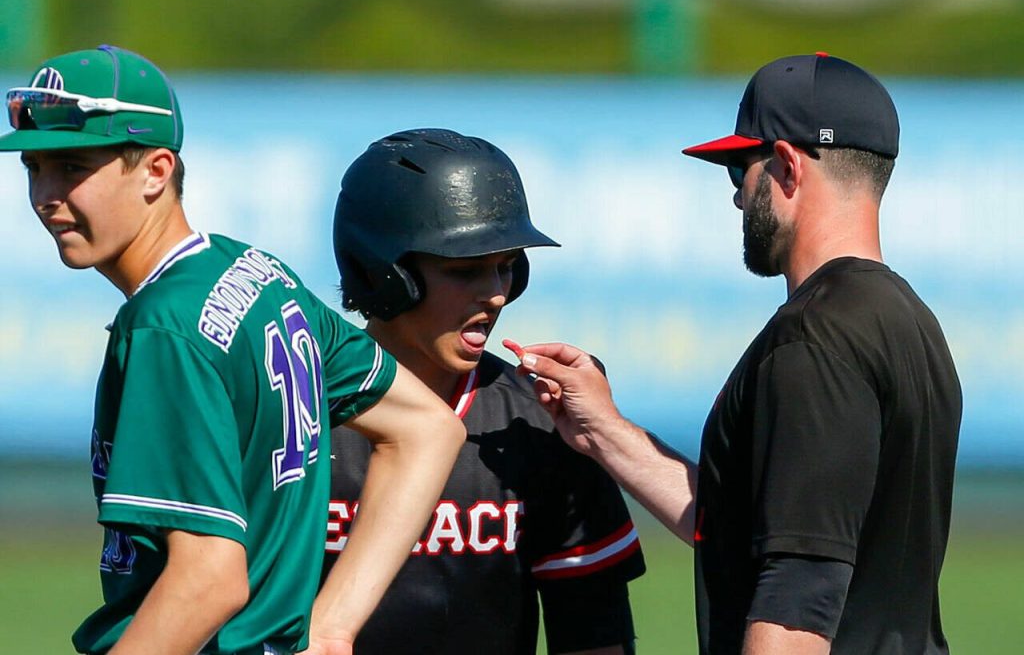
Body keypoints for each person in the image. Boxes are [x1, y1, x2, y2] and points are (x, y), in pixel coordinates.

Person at [0, 45, 464, 655]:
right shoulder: (254, 273)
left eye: (73, 167)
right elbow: (426, 428)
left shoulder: (164, 327)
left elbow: (208, 579)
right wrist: (331, 627)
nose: (45, 194)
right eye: (34, 167)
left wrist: (331, 626)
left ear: (156, 171)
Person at [514, 54, 962, 654]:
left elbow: (799, 599)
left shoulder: (813, 339)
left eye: (738, 170)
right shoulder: (908, 322)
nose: (736, 198)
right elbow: (754, 526)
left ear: (787, 167)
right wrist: (604, 432)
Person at [324, 128, 646, 654]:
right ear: (384, 274)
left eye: (507, 267)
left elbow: (594, 634)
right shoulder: (296, 413)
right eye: (465, 270)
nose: (496, 294)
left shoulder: (542, 422)